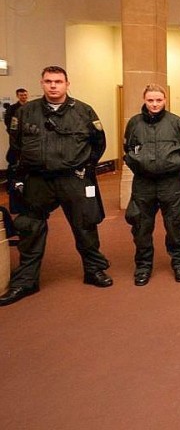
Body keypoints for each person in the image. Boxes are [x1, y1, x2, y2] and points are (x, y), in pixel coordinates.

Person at [0, 66, 111, 306]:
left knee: (86, 225)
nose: (53, 86)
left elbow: (98, 143)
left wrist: (87, 168)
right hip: (39, 179)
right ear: (41, 83)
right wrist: (20, 174)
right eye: (48, 81)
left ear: (67, 84)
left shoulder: (83, 111)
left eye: (58, 81)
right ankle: (26, 281)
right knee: (30, 228)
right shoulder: (27, 112)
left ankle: (94, 270)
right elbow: (17, 145)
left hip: (73, 178)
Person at [123, 84, 180, 286]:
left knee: (175, 226)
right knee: (141, 227)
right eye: (150, 100)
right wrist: (140, 166)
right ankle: (143, 266)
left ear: (165, 100)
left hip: (171, 183)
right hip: (143, 183)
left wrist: (175, 167)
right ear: (144, 100)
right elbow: (127, 148)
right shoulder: (134, 123)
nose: (154, 104)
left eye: (159, 100)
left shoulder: (176, 123)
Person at [5, 87, 29, 213]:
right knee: (13, 162)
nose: (23, 97)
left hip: (28, 142)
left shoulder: (31, 108)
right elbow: (9, 125)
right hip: (16, 141)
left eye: (25, 94)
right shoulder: (12, 109)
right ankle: (13, 187)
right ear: (17, 95)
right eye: (21, 95)